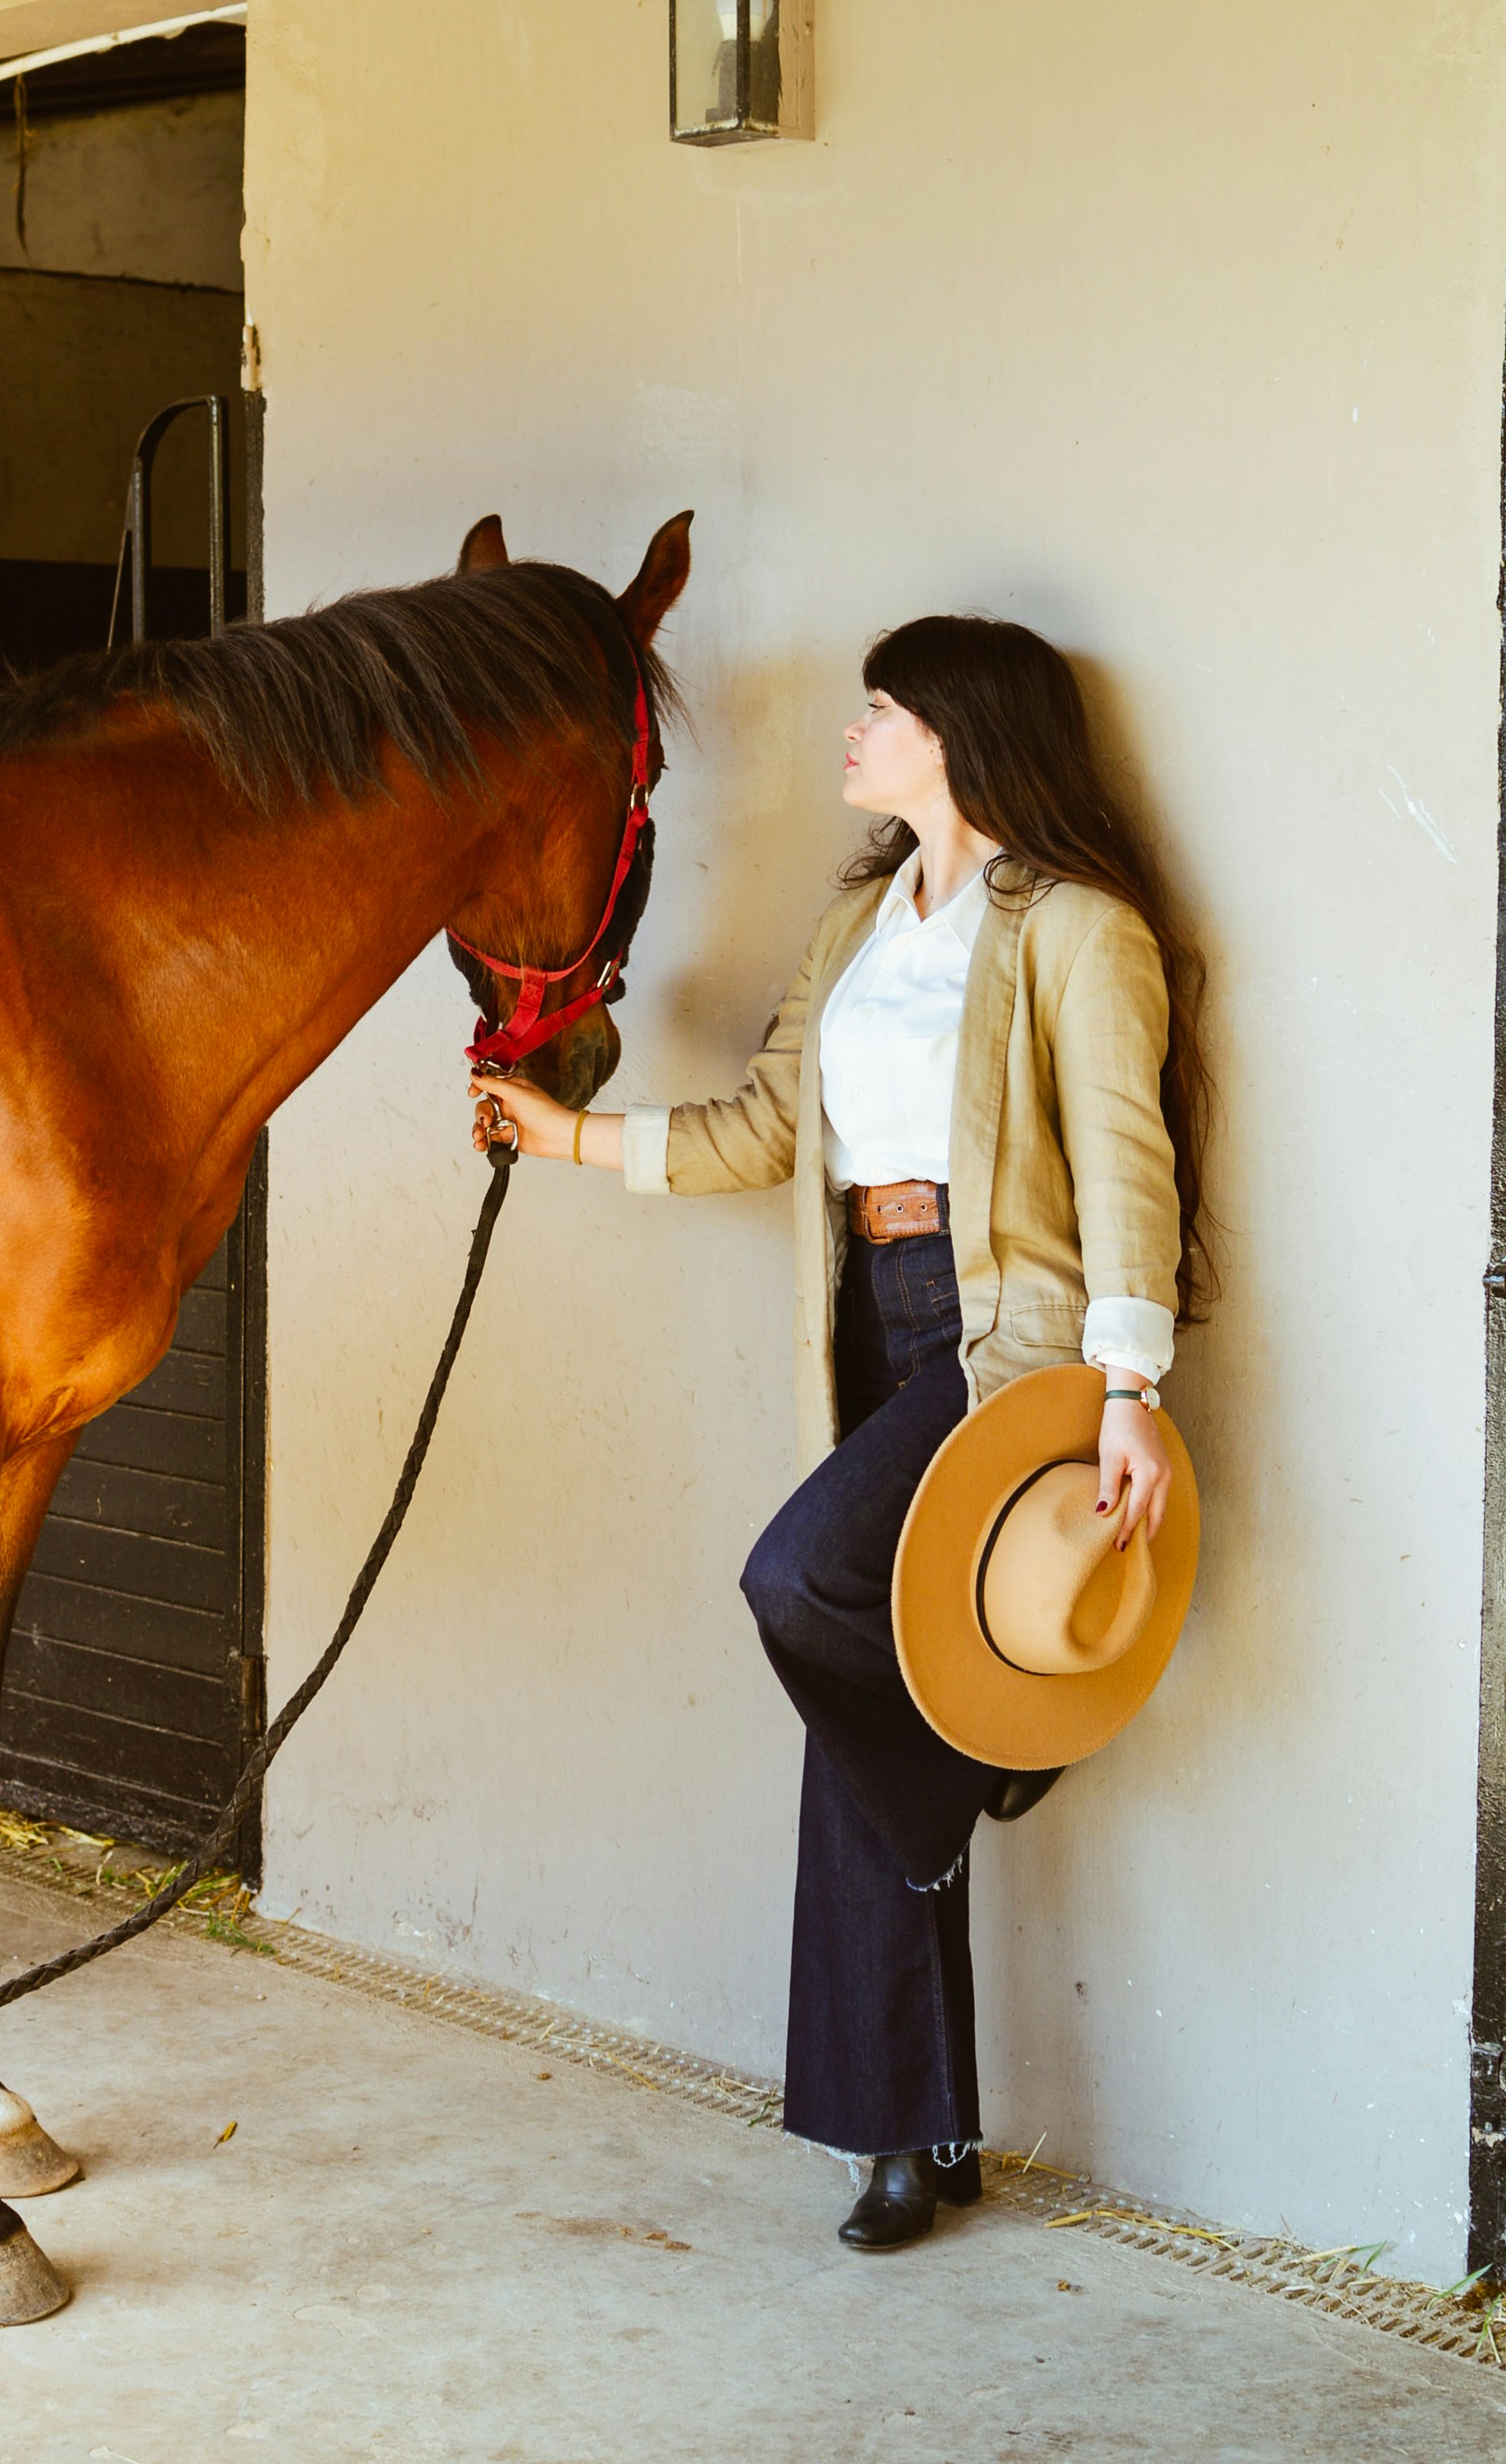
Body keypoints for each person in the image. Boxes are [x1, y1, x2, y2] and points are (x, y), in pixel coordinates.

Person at [469, 614, 1210, 2250]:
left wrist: (1128, 1388)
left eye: (882, 708)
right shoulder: (864, 921)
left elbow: (1124, 1167)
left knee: (797, 1581)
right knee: (863, 1713)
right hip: (865, 1323)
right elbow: (761, 1125)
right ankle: (911, 2130)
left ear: (958, 731)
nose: (857, 730)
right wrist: (573, 1136)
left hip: (998, 1339)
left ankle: (964, 1793)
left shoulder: (1078, 931)